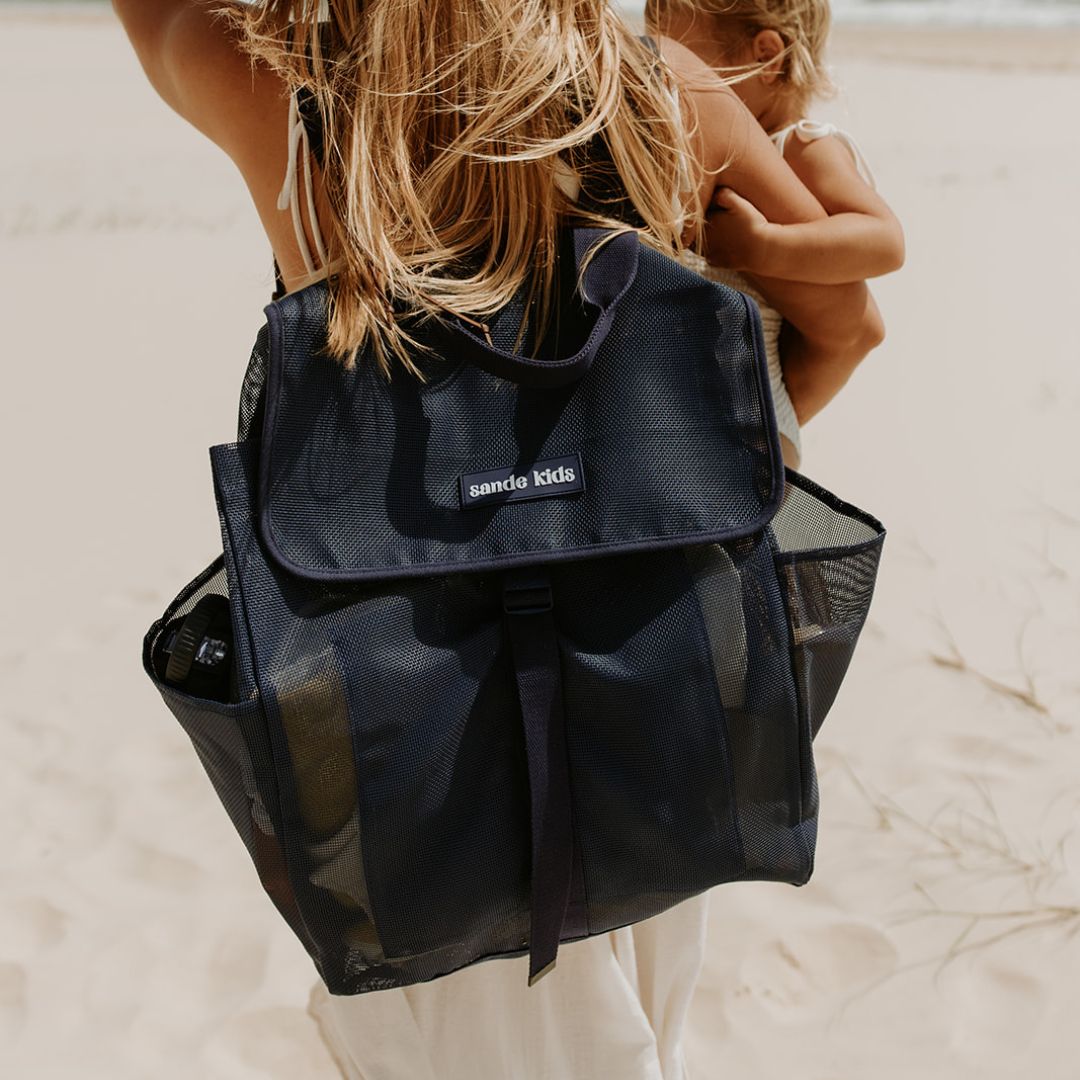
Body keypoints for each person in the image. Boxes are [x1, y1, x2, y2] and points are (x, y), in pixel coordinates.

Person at [113, 2, 885, 1077]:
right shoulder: (666, 86)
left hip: (407, 740)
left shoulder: (287, 90)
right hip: (654, 704)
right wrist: (643, 490)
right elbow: (848, 316)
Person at [648, 0, 904, 468]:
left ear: (766, 56)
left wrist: (763, 247)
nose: (665, 84)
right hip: (734, 394)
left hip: (757, 403)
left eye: (685, 65)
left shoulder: (804, 145)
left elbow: (885, 241)